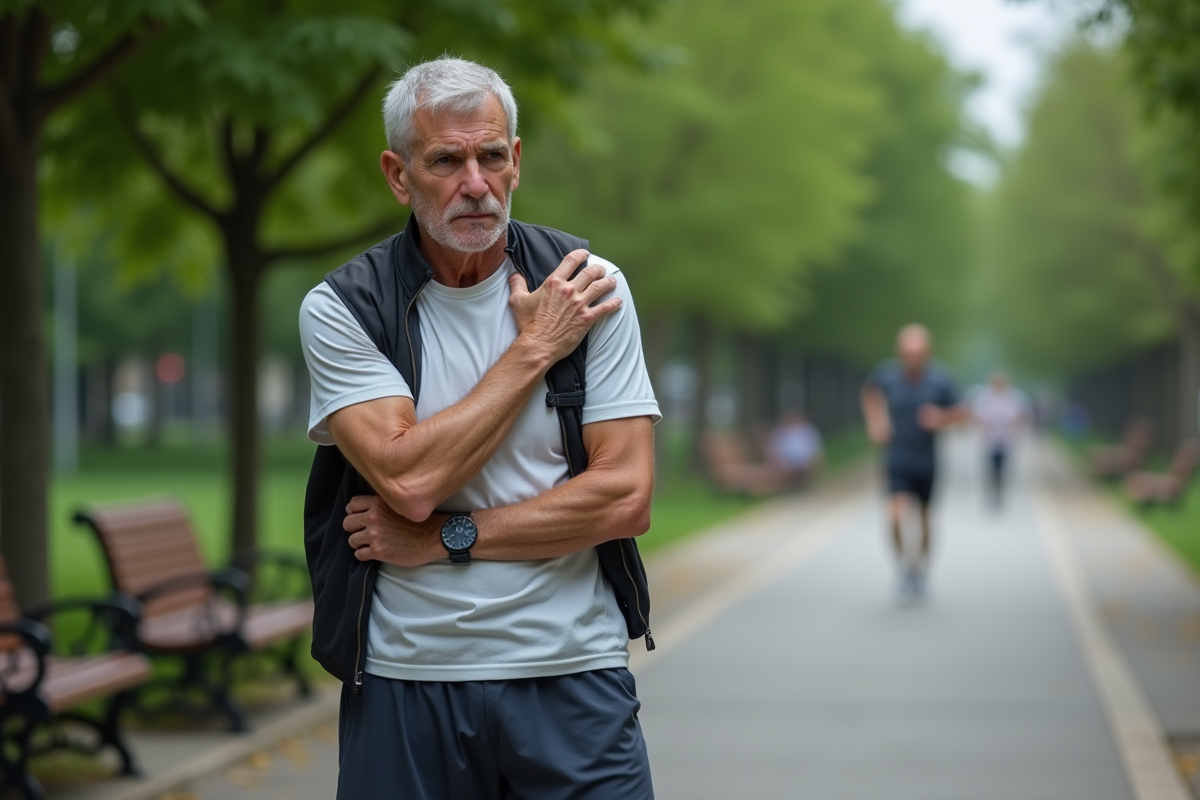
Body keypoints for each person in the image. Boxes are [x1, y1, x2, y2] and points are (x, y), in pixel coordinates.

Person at [298, 58, 659, 799]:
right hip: (409, 679)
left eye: (492, 156)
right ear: (399, 175)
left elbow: (624, 498)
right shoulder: (343, 309)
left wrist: (444, 540)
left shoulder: (590, 288)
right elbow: (409, 478)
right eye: (446, 160)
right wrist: (532, 351)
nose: (475, 183)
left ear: (516, 160)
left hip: (572, 673)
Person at [860, 324, 966, 599]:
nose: (913, 358)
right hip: (896, 458)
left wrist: (940, 418)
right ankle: (903, 568)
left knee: (925, 518)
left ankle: (920, 571)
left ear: (928, 353)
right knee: (894, 514)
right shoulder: (887, 375)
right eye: (908, 352)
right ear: (900, 352)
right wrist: (876, 422)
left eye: (918, 353)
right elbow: (870, 395)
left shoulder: (940, 380)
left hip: (927, 460)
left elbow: (962, 414)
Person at [970, 372, 1030, 509]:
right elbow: (977, 415)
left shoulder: (1014, 397)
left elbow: (1022, 415)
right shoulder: (985, 397)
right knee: (990, 469)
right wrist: (984, 425)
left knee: (1002, 469)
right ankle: (991, 493)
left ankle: (1000, 493)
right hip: (989, 440)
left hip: (1006, 440)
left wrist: (1014, 425)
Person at [765, 408, 824, 487]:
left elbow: (815, 450)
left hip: (804, 462)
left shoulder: (807, 431)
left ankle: (801, 481)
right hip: (785, 463)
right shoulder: (779, 432)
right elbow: (773, 451)